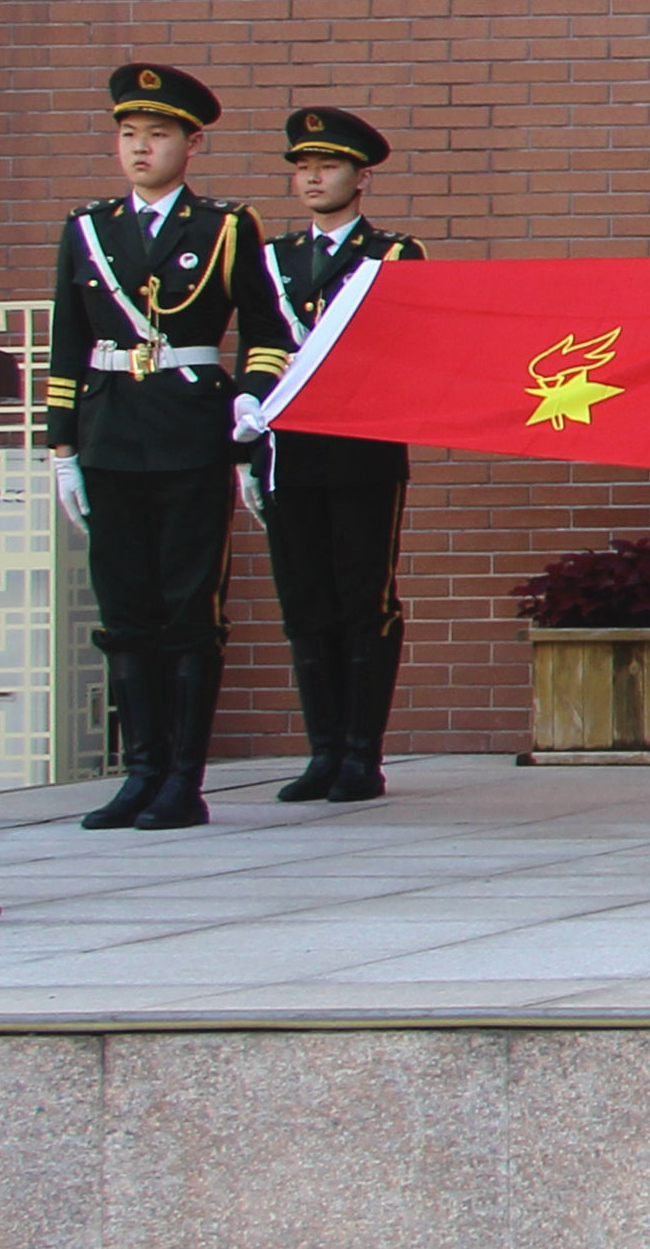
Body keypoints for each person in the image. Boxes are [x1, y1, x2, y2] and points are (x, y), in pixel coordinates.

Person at [43, 64, 265, 832]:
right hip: (109, 431)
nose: (140, 149)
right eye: (129, 134)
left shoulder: (223, 226)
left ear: (191, 144)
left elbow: (264, 329)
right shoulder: (88, 227)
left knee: (188, 607)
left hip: (188, 430)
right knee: (125, 608)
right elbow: (67, 342)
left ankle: (182, 779)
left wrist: (251, 396)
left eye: (158, 135)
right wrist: (62, 448)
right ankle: (139, 772)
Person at [236, 109, 430, 804]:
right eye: (303, 167)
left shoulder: (393, 254)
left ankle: (360, 752)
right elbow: (262, 341)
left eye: (328, 166)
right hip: (290, 446)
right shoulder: (273, 258)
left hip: (361, 445)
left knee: (362, 597)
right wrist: (249, 406)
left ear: (361, 176)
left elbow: (402, 343)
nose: (313, 178)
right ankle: (322, 749)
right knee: (305, 599)